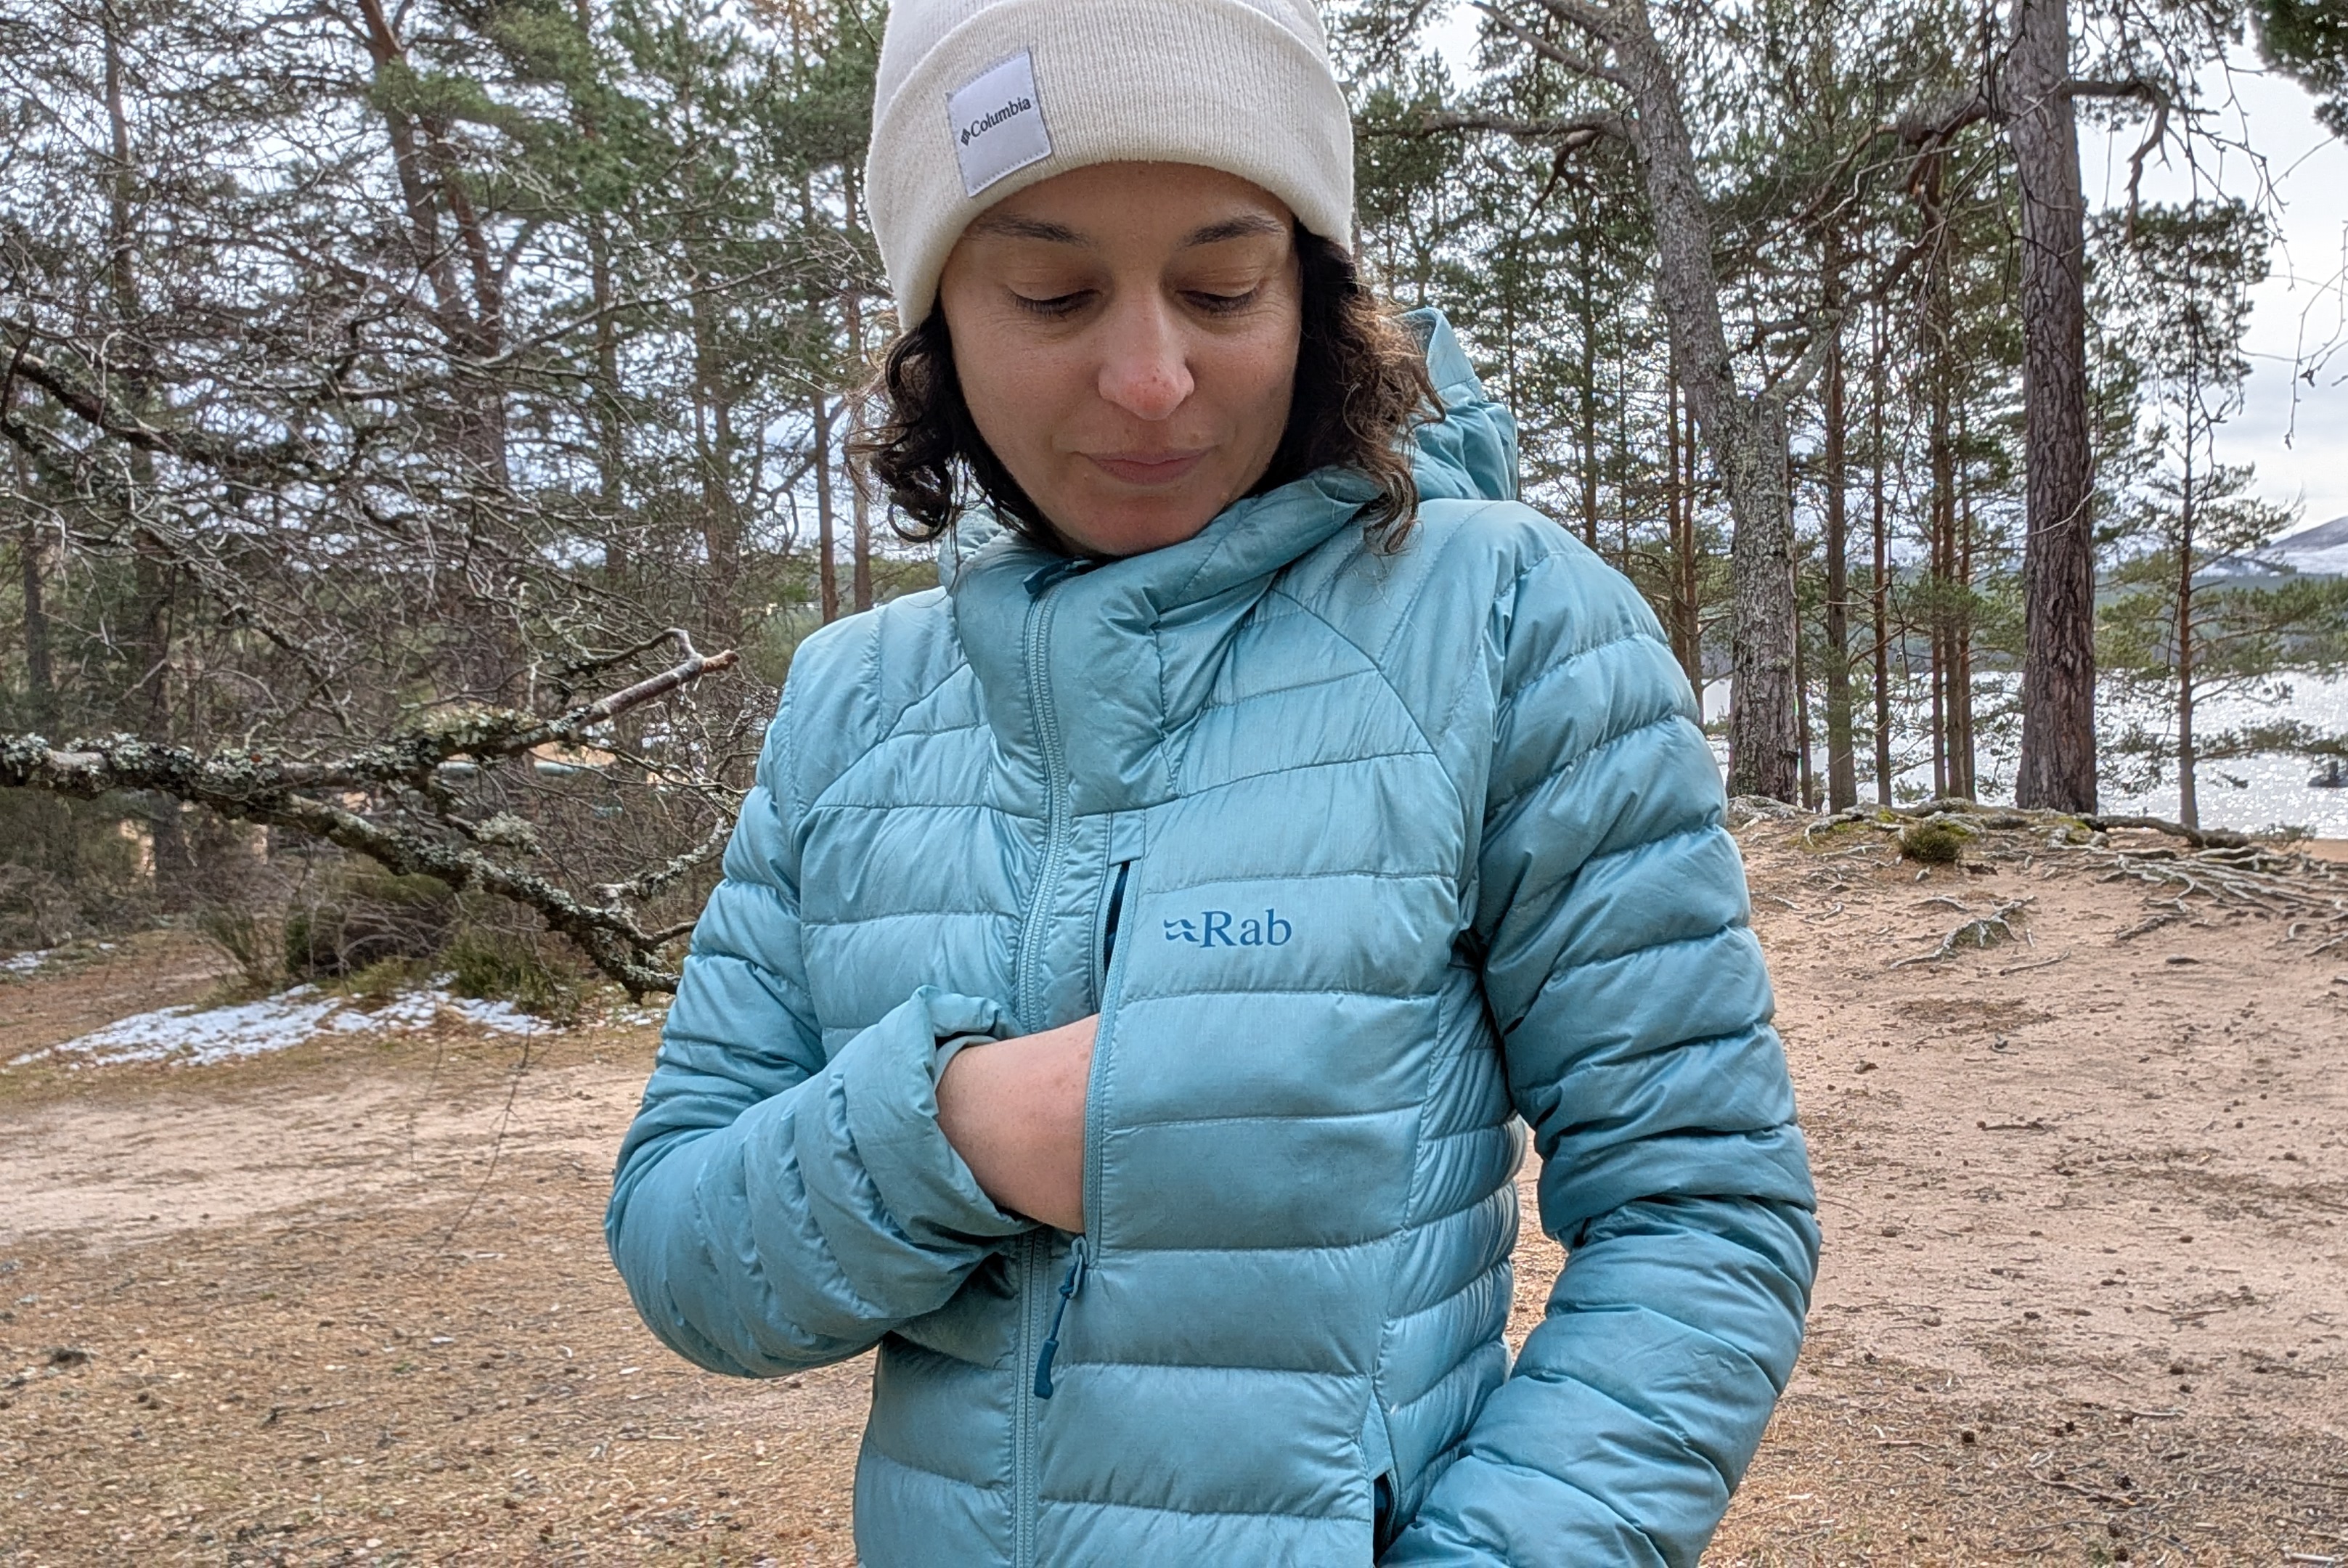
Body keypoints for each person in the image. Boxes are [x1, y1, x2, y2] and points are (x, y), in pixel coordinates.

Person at [604, 1, 1819, 1561]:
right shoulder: (856, 704)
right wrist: (953, 1132)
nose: (1153, 377)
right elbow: (681, 1246)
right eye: (1051, 292)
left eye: (1222, 284)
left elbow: (1702, 1217)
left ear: (1314, 293)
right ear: (938, 327)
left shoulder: (1505, 628)